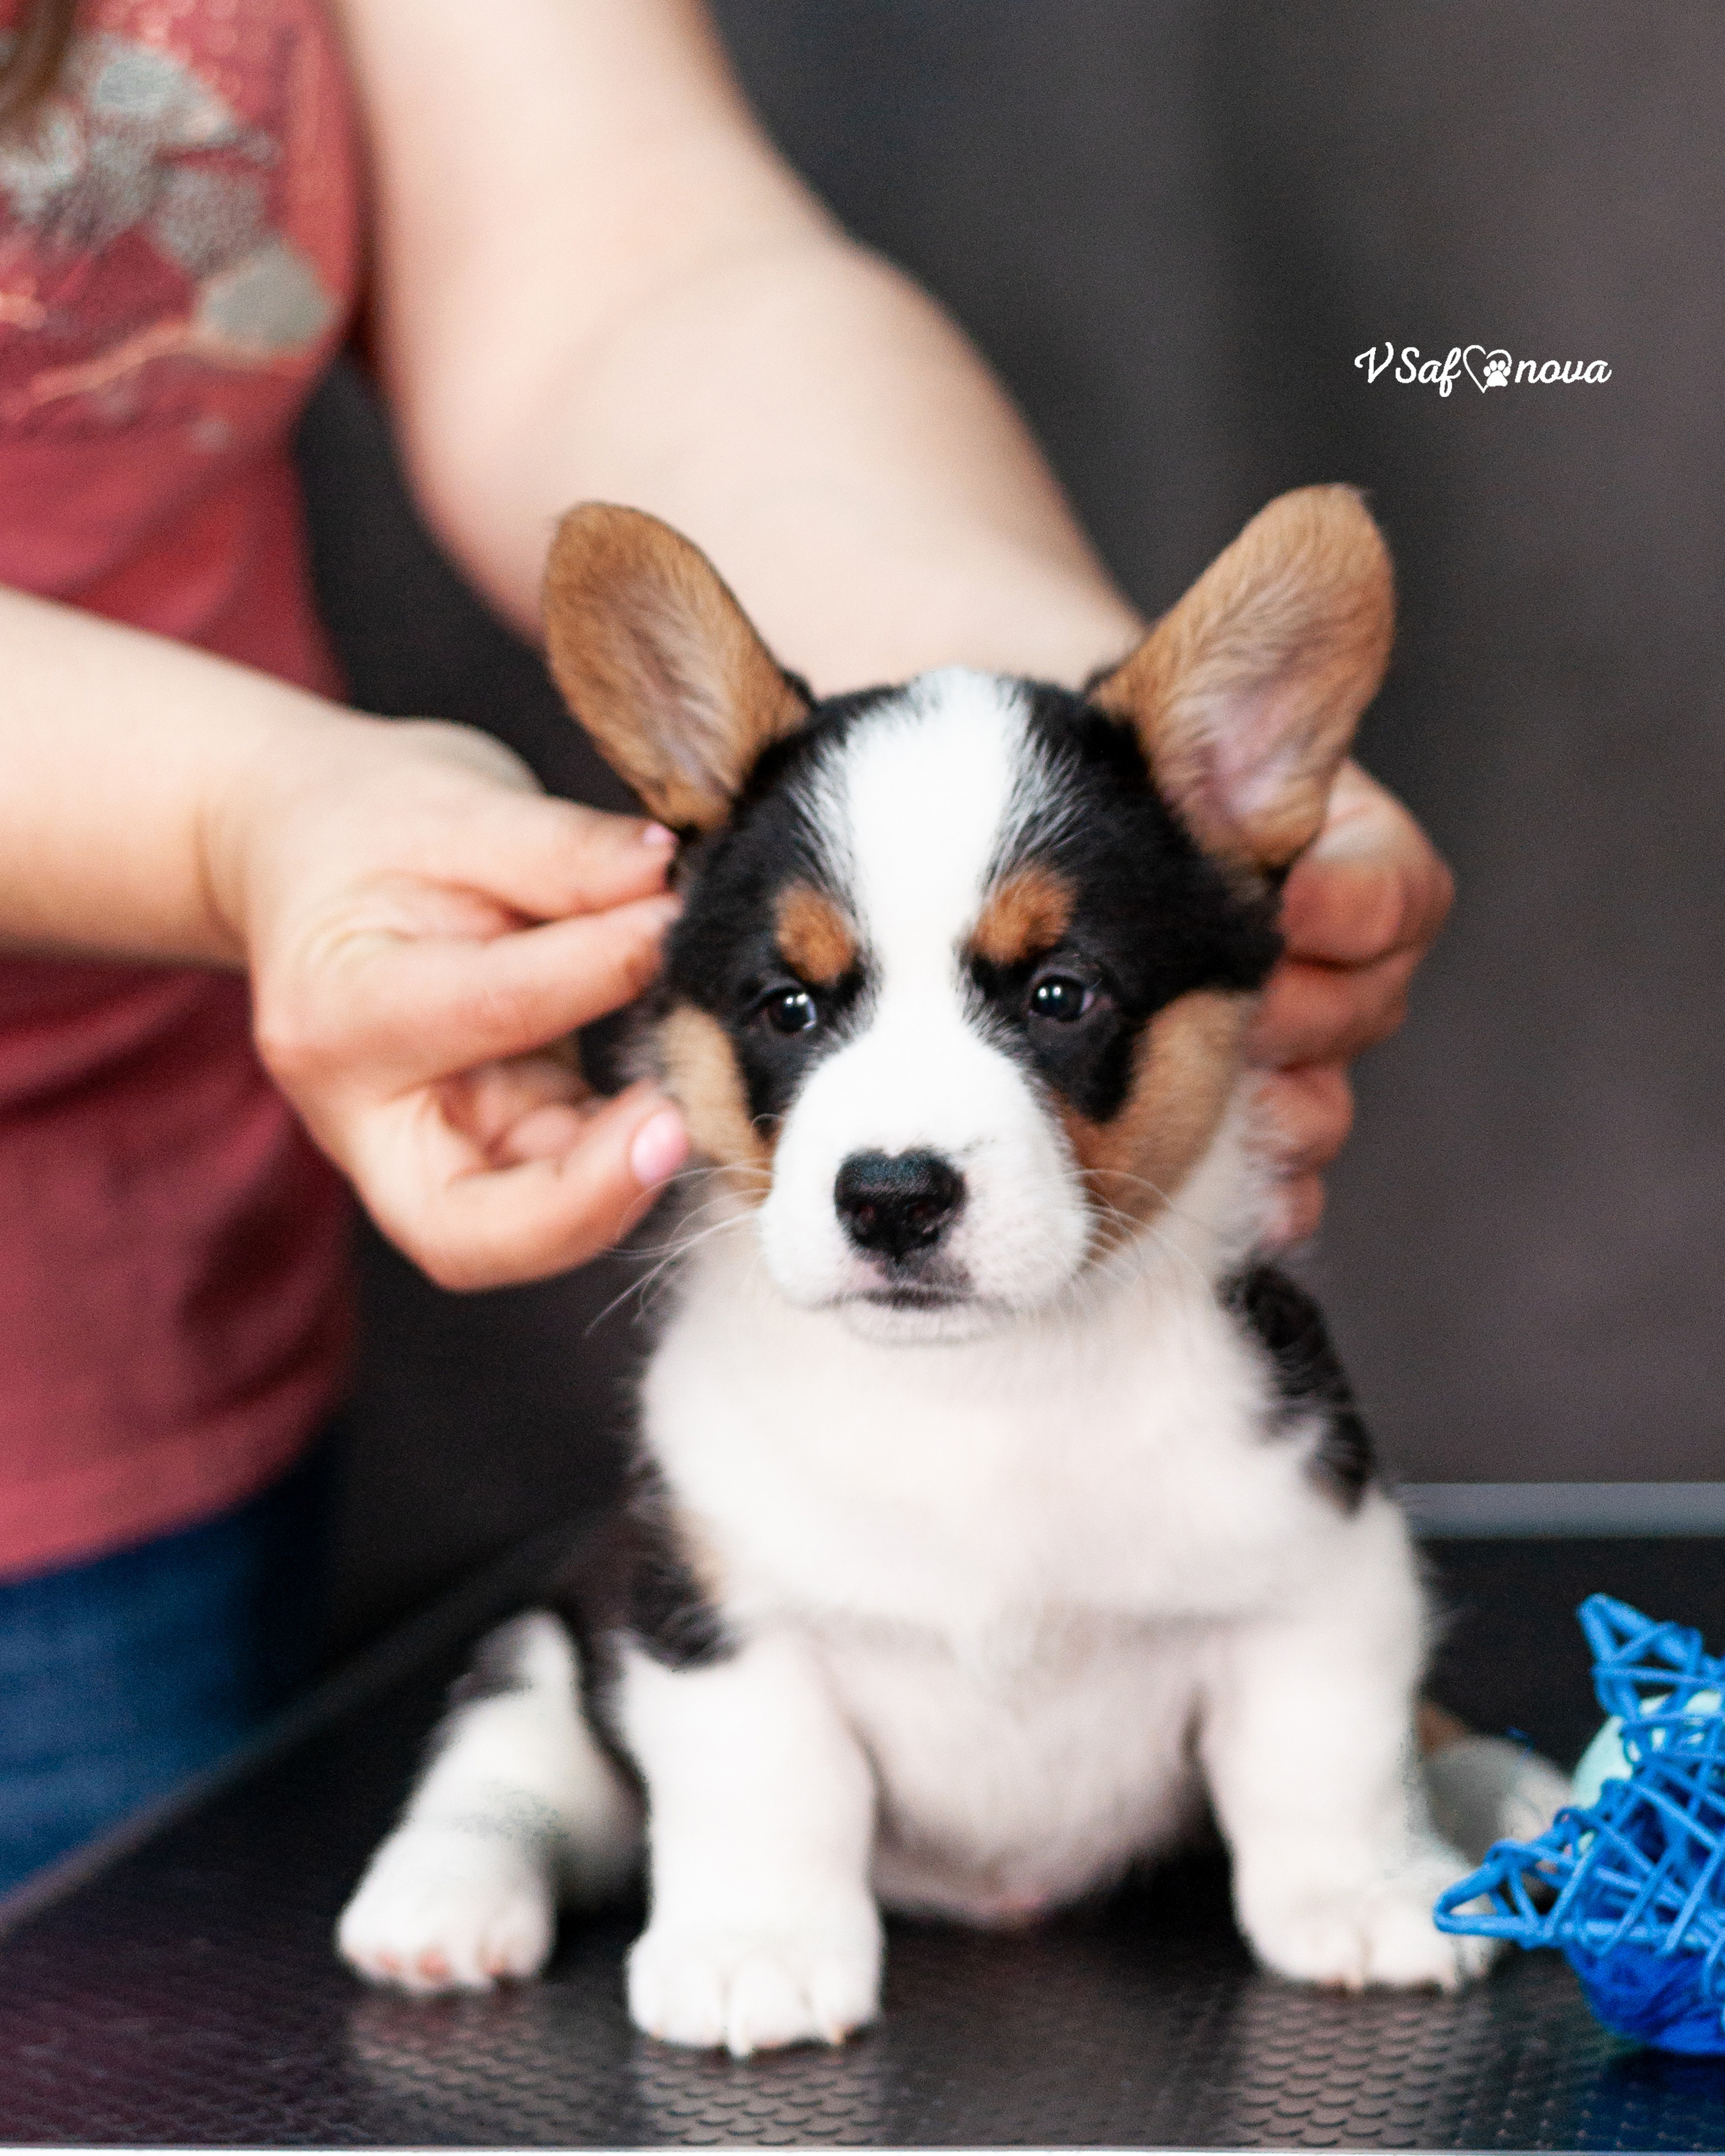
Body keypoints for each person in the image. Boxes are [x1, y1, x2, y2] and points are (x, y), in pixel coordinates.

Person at [0, 0, 1452, 1893]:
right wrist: (234, 817)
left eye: (1060, 993)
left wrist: (1030, 726)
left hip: (130, 1349)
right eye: (788, 1002)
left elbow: (621, 257)